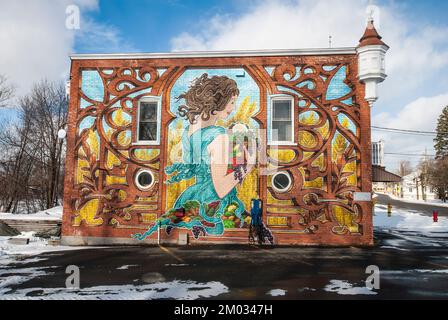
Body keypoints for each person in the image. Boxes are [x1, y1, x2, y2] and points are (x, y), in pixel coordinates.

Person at [133, 73, 256, 240]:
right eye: (232, 101)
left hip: (192, 198)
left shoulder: (189, 132)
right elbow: (220, 188)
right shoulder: (219, 136)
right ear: (219, 99)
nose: (233, 108)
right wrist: (247, 167)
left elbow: (193, 164)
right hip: (214, 207)